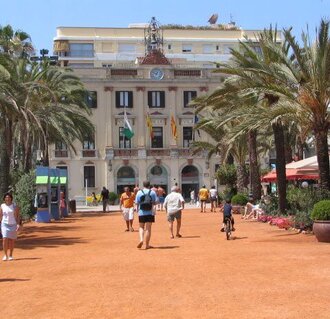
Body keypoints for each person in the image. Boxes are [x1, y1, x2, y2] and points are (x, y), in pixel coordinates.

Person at [135, 181, 157, 249]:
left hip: (141, 212)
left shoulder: (139, 192)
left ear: (143, 185)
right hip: (150, 212)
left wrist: (137, 210)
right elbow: (155, 202)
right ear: (149, 185)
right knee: (148, 228)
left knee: (141, 227)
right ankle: (147, 245)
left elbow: (137, 203)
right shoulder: (152, 192)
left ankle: (141, 239)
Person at [0, 193, 21, 261]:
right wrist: (1, 222)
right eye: (6, 197)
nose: (7, 198)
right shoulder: (2, 206)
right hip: (4, 224)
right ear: (4, 198)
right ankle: (5, 255)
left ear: (11, 198)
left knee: (12, 241)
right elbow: (0, 215)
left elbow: (18, 216)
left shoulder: (15, 206)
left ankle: (11, 255)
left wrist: (18, 224)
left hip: (13, 224)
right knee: (5, 239)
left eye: (9, 197)